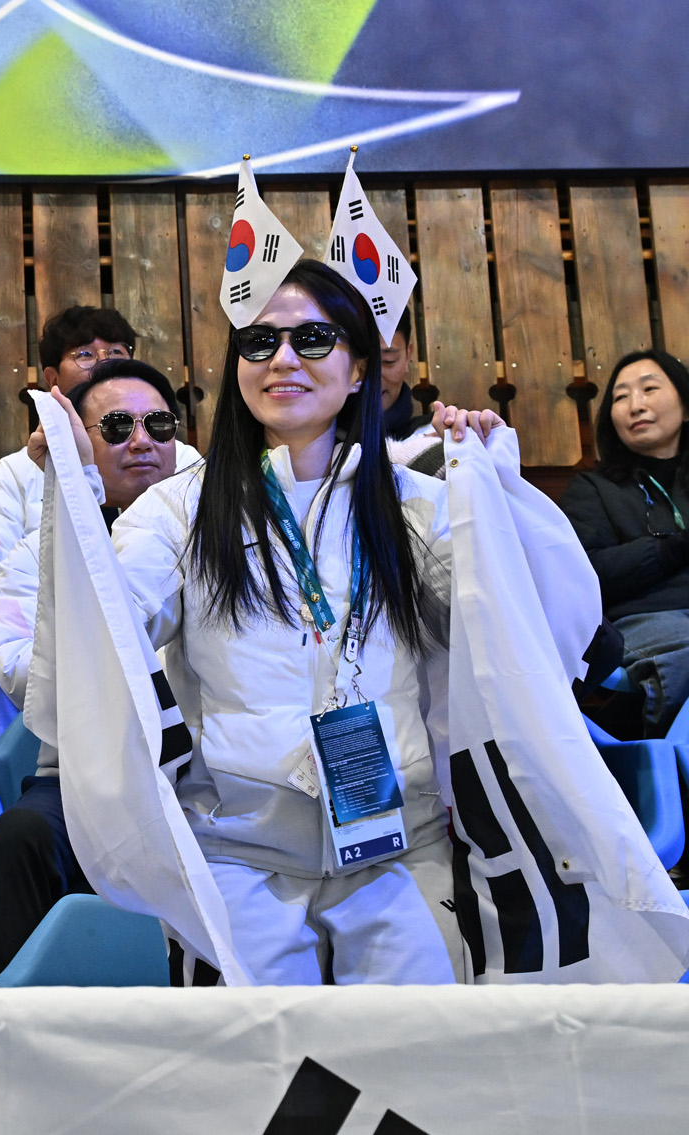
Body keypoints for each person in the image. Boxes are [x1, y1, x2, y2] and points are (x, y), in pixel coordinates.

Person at [43, 258, 590, 984]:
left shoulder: (413, 501)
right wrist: (74, 493)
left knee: (419, 1057)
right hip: (237, 847)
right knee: (254, 1071)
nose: (283, 361)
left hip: (399, 842)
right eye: (260, 342)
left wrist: (494, 497)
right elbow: (95, 646)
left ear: (360, 368)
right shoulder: (178, 509)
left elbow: (526, 634)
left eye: (313, 338)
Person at [0, 359, 180, 984]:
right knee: (20, 835)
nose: (141, 440)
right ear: (80, 443)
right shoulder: (37, 553)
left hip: (202, 771)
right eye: (115, 427)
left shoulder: (223, 532)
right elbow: (12, 663)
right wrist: (106, 678)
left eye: (158, 424)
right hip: (83, 773)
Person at [0, 305, 204, 608]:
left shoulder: (178, 458)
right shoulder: (14, 473)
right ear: (53, 379)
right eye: (84, 354)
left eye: (115, 351)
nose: (103, 362)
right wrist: (77, 599)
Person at [558, 349, 689, 738]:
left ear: (684, 407)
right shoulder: (592, 488)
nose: (636, 405)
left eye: (650, 389)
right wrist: (673, 548)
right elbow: (586, 572)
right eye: (620, 397)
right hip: (641, 622)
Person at [379, 316, 443, 474]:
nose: (372, 378)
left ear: (408, 356)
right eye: (359, 361)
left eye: (388, 360)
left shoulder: (436, 432)